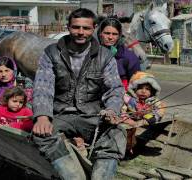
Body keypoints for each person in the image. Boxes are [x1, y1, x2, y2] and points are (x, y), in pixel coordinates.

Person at [32, 8, 126, 180]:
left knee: (116, 133)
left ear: (94, 28)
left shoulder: (105, 56)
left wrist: (112, 109)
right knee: (42, 134)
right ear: (68, 27)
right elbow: (42, 86)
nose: (81, 32)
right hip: (60, 114)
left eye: (86, 28)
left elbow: (114, 88)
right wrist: (43, 116)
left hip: (91, 114)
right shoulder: (51, 53)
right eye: (76, 27)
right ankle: (74, 177)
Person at [121, 71, 165, 154]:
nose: (143, 91)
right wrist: (127, 119)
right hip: (129, 120)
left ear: (152, 91)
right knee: (127, 132)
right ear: (134, 89)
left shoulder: (153, 101)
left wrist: (151, 118)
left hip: (145, 119)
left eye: (147, 89)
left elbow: (161, 109)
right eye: (140, 88)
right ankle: (127, 148)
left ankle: (130, 147)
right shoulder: (129, 99)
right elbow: (122, 110)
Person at [97, 17, 141, 90]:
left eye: (114, 34)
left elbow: (137, 85)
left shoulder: (129, 57)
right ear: (100, 33)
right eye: (107, 33)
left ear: (119, 36)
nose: (110, 37)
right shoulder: (92, 54)